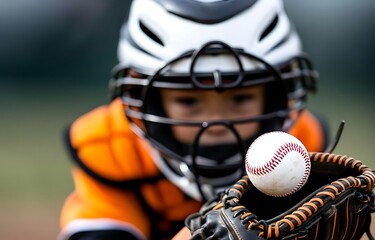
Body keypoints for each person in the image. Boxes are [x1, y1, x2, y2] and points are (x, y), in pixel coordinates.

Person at [58, 0, 330, 239]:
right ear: (145, 98)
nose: (216, 122)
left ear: (274, 97)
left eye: (240, 99)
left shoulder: (299, 145)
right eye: (188, 101)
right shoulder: (115, 150)